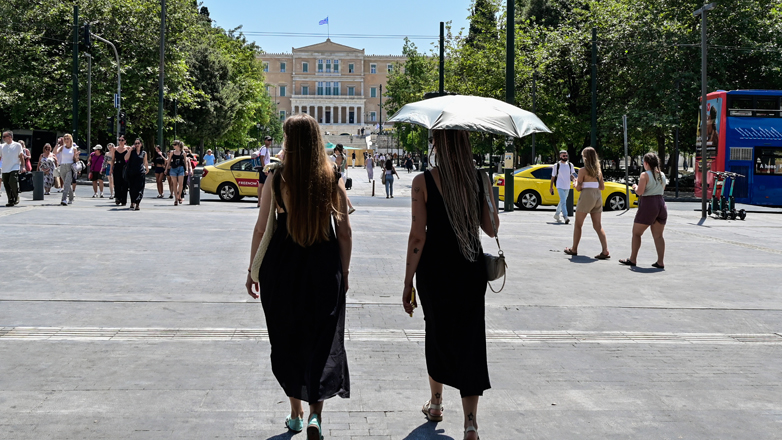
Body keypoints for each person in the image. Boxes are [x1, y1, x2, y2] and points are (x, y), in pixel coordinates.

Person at [245, 114, 351, 439]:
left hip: (282, 266)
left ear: (289, 141)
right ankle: (316, 415)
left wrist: (252, 269)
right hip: (322, 263)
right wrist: (343, 273)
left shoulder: (277, 177)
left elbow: (262, 226)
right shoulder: (331, 176)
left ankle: (295, 413)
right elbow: (344, 231)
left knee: (287, 340)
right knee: (321, 339)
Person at [402, 130, 499, 440]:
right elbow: (491, 227)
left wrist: (407, 282)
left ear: (437, 144)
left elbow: (418, 236)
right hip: (469, 266)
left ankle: (435, 403)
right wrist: (489, 192)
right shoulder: (480, 178)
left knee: (437, 333)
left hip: (434, 270)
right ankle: (470, 422)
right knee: (471, 338)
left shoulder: (423, 182)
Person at [620, 153, 668, 269]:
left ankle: (633, 259)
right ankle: (660, 261)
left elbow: (640, 192)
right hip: (661, 204)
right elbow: (663, 188)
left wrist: (635, 187)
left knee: (636, 233)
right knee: (658, 235)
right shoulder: (661, 174)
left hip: (649, 204)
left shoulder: (644, 175)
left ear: (646, 163)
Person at [564, 147, 610, 259]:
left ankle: (574, 249)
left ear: (585, 158)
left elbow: (579, 188)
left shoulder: (582, 171)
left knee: (578, 224)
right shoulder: (598, 171)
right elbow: (602, 187)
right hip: (597, 196)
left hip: (586, 196)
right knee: (598, 226)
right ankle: (605, 250)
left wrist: (575, 182)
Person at [549, 150, 574, 224]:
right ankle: (565, 217)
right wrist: (551, 187)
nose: (565, 157)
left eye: (566, 156)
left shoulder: (570, 165)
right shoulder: (557, 165)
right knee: (563, 201)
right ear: (560, 156)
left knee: (563, 201)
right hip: (559, 185)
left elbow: (573, 174)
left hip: (567, 185)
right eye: (564, 156)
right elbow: (553, 177)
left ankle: (557, 214)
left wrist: (575, 179)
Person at [1, 131, 25, 206]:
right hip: (5, 168)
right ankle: (10, 200)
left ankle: (16, 196)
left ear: (10, 137)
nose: (3, 138)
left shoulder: (17, 145)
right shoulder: (1, 146)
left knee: (12, 181)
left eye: (4, 137)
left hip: (14, 167)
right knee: (6, 184)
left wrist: (23, 166)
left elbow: (21, 156)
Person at [124, 138, 149, 210]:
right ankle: (132, 202)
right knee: (132, 188)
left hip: (140, 172)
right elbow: (125, 158)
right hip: (131, 172)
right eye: (136, 143)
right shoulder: (132, 152)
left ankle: (137, 203)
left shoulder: (144, 153)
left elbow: (145, 162)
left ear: (141, 144)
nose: (137, 145)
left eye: (138, 143)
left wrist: (147, 169)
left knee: (140, 188)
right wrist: (130, 150)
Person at [164, 140, 191, 206]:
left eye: (175, 144)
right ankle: (176, 199)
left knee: (181, 184)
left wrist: (186, 170)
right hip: (173, 169)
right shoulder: (172, 152)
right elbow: (169, 161)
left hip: (181, 168)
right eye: (173, 144)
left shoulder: (183, 153)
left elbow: (185, 162)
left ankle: (179, 196)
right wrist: (166, 169)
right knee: (175, 184)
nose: (173, 146)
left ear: (178, 145)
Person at [54, 134, 79, 206]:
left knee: (66, 184)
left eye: (68, 138)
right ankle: (71, 197)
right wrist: (57, 143)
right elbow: (55, 153)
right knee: (67, 183)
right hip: (62, 166)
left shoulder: (74, 149)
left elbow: (75, 159)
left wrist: (77, 156)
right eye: (65, 139)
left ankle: (64, 199)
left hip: (70, 167)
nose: (66, 140)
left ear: (71, 139)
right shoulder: (62, 147)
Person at [253, 137, 272, 208]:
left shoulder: (265, 149)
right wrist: (265, 169)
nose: (270, 141)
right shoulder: (264, 149)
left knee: (261, 185)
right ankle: (264, 201)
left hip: (263, 168)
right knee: (268, 185)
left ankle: (259, 202)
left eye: (271, 140)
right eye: (268, 140)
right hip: (264, 168)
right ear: (265, 141)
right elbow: (262, 158)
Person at [113, 137, 130, 206]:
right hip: (117, 166)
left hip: (125, 167)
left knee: (124, 184)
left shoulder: (128, 149)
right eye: (119, 140)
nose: (120, 141)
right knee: (117, 183)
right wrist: (111, 168)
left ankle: (124, 200)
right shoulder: (115, 149)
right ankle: (117, 198)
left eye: (122, 140)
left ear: (125, 141)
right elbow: (113, 159)